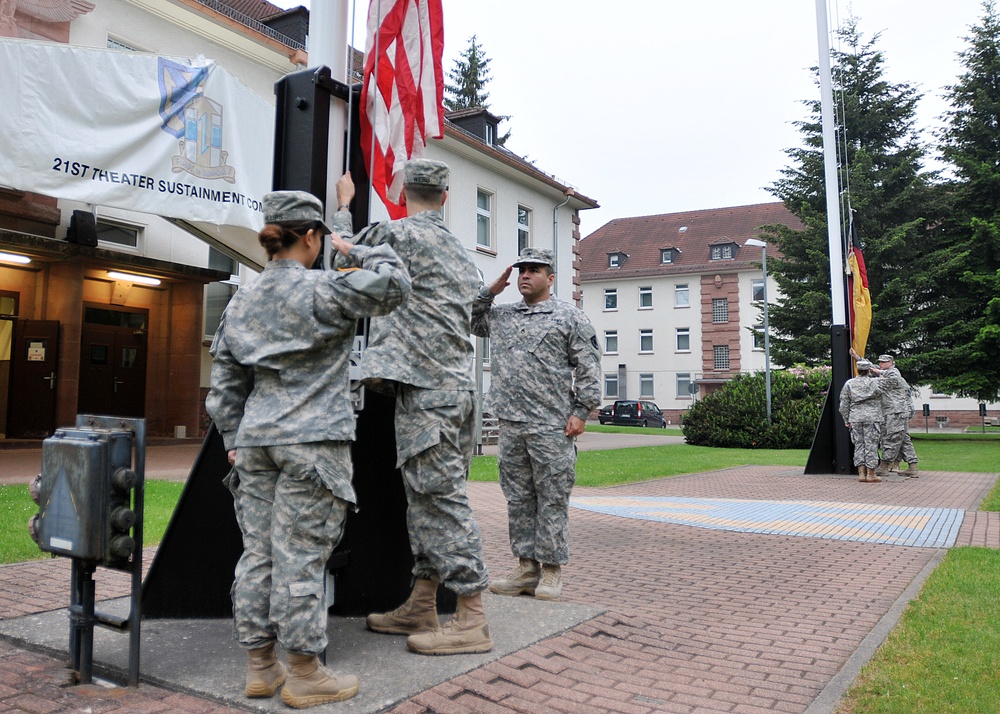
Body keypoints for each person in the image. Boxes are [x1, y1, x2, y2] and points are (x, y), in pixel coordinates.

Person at [206, 190, 411, 708]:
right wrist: (361, 248)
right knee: (300, 557)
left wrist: (233, 438)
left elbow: (224, 385)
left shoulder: (241, 301)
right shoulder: (326, 290)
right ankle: (304, 673)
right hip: (312, 444)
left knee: (258, 554)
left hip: (255, 443)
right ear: (313, 237)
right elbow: (395, 286)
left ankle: (260, 667)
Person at [331, 159, 493, 656]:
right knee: (427, 500)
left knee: (441, 502)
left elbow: (344, 260)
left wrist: (342, 208)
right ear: (446, 198)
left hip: (427, 393)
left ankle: (473, 617)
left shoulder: (397, 235)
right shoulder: (464, 257)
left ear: (403, 193)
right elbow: (476, 317)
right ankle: (423, 602)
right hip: (454, 392)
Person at [471, 247, 602, 601]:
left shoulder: (569, 317)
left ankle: (552, 570)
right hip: (510, 423)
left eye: (534, 269)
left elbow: (589, 366)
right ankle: (526, 568)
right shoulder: (503, 315)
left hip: (551, 423)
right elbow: (467, 317)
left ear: (550, 277)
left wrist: (582, 411)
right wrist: (491, 290)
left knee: (552, 497)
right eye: (522, 269)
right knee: (518, 498)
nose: (526, 275)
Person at [839, 359, 888, 482]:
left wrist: (846, 418)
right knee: (871, 445)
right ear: (868, 371)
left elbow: (844, 404)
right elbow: (891, 381)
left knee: (859, 444)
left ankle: (861, 473)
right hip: (872, 417)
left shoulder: (849, 384)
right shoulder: (876, 383)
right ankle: (871, 474)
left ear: (858, 370)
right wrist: (878, 371)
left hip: (855, 417)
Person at [872, 353, 919, 478]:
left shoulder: (893, 374)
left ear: (891, 363)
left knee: (891, 438)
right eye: (880, 362)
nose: (881, 364)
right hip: (896, 412)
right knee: (904, 440)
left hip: (895, 412)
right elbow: (871, 367)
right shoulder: (886, 372)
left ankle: (884, 466)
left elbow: (888, 380)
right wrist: (857, 357)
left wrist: (873, 375)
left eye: (884, 362)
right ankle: (912, 467)